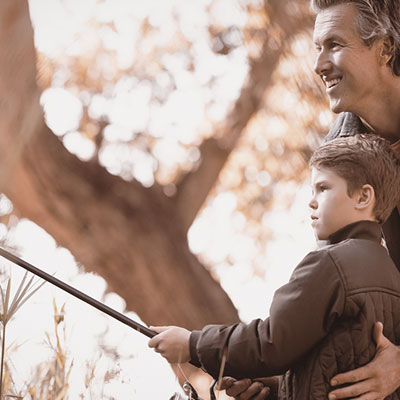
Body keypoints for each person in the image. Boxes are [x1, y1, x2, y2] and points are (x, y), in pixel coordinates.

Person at [219, 1, 400, 398]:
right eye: (317, 47)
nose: (319, 65)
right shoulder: (338, 153)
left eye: (334, 45)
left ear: (385, 48)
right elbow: (339, 306)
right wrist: (285, 378)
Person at [148, 134, 400, 399]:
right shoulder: (392, 274)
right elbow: (335, 365)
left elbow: (270, 343)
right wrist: (277, 387)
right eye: (311, 190)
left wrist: (193, 344)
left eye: (323, 188)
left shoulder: (329, 265)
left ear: (363, 197)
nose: (311, 201)